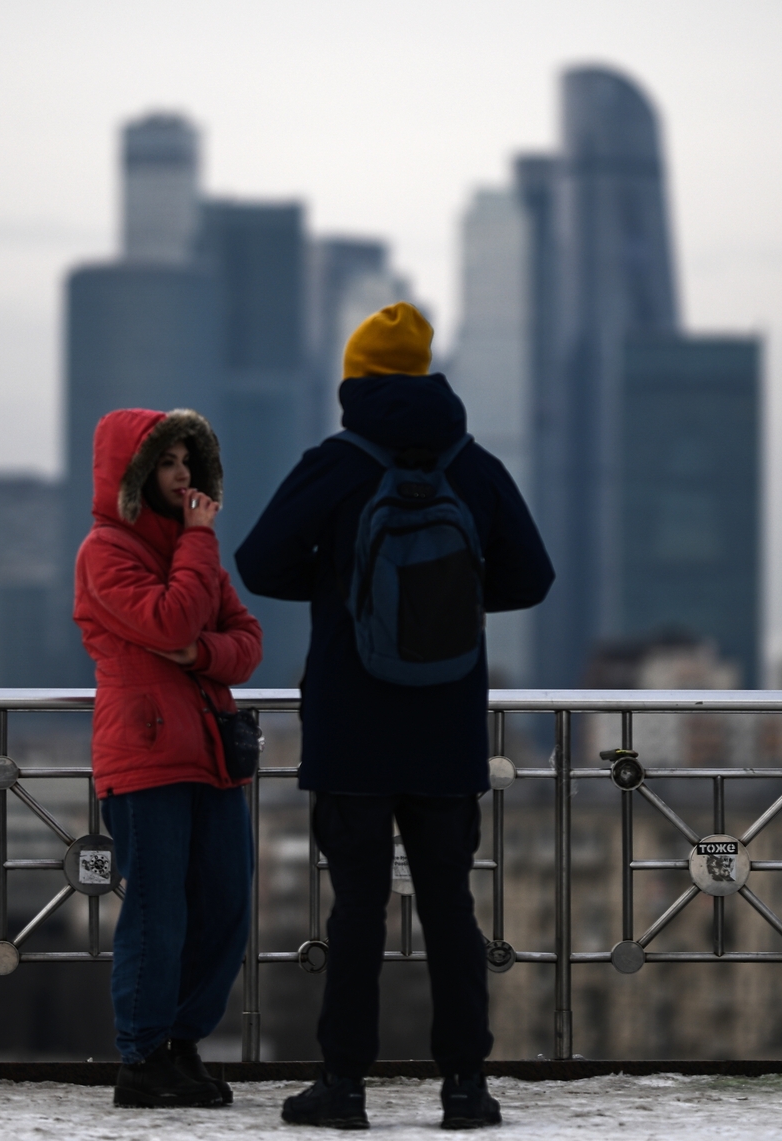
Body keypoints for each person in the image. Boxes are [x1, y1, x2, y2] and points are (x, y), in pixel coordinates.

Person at [237, 302, 554, 1131]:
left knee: (356, 911)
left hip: (352, 726)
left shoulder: (336, 463)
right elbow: (534, 577)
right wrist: (450, 595)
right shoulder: (472, 465)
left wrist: (343, 586)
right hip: (447, 725)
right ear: (425, 373)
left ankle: (343, 1087)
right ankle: (465, 1088)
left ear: (356, 379)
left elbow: (259, 559)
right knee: (450, 905)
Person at [74, 407, 263, 1108]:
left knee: (224, 901)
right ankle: (142, 1056)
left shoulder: (195, 547)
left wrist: (201, 653)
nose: (183, 475)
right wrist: (197, 548)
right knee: (159, 912)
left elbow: (245, 637)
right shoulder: (106, 550)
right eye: (166, 463)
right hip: (147, 752)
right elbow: (172, 618)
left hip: (212, 750)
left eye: (188, 461)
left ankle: (182, 1044)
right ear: (133, 473)